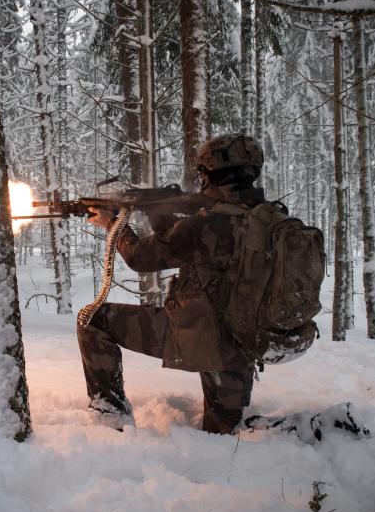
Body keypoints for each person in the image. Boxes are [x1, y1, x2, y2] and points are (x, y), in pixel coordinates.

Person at [79, 134, 266, 434]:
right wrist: (158, 212)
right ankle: (310, 429)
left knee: (92, 319)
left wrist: (115, 225)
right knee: (228, 432)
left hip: (201, 335)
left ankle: (110, 417)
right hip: (243, 343)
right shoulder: (265, 217)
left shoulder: (208, 223)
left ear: (211, 173)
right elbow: (189, 249)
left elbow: (142, 258)